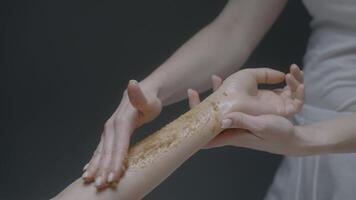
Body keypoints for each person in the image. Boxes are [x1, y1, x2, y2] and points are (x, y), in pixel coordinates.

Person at [80, 0, 356, 199]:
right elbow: (234, 28)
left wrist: (305, 139)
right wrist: (151, 89)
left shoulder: (305, 138)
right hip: (307, 136)